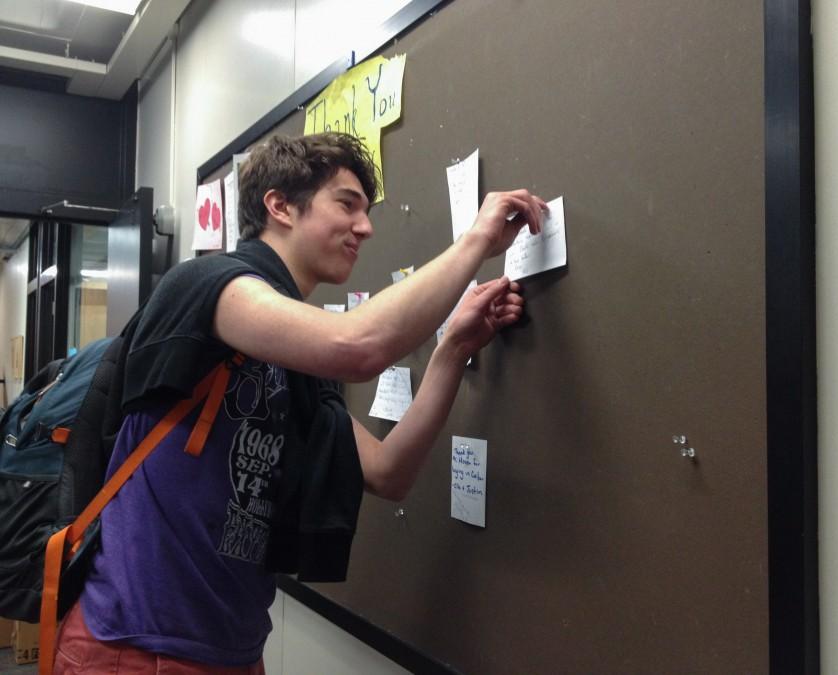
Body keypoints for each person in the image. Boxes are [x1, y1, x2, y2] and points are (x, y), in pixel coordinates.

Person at [52, 132, 546, 674]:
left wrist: (452, 352)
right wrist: (476, 239)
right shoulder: (210, 285)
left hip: (231, 650)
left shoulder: (299, 362)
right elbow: (358, 346)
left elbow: (388, 472)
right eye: (347, 204)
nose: (366, 227)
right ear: (280, 206)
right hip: (137, 646)